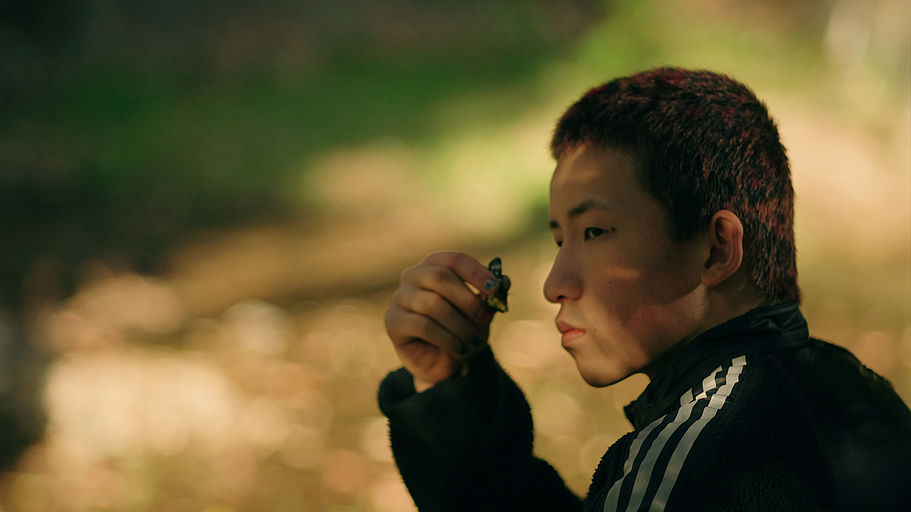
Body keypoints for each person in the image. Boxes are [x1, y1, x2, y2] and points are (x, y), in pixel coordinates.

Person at [377, 68, 911, 511]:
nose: (554, 285)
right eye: (560, 240)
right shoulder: (858, 396)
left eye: (594, 232)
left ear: (716, 249)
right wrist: (447, 387)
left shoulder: (701, 454)